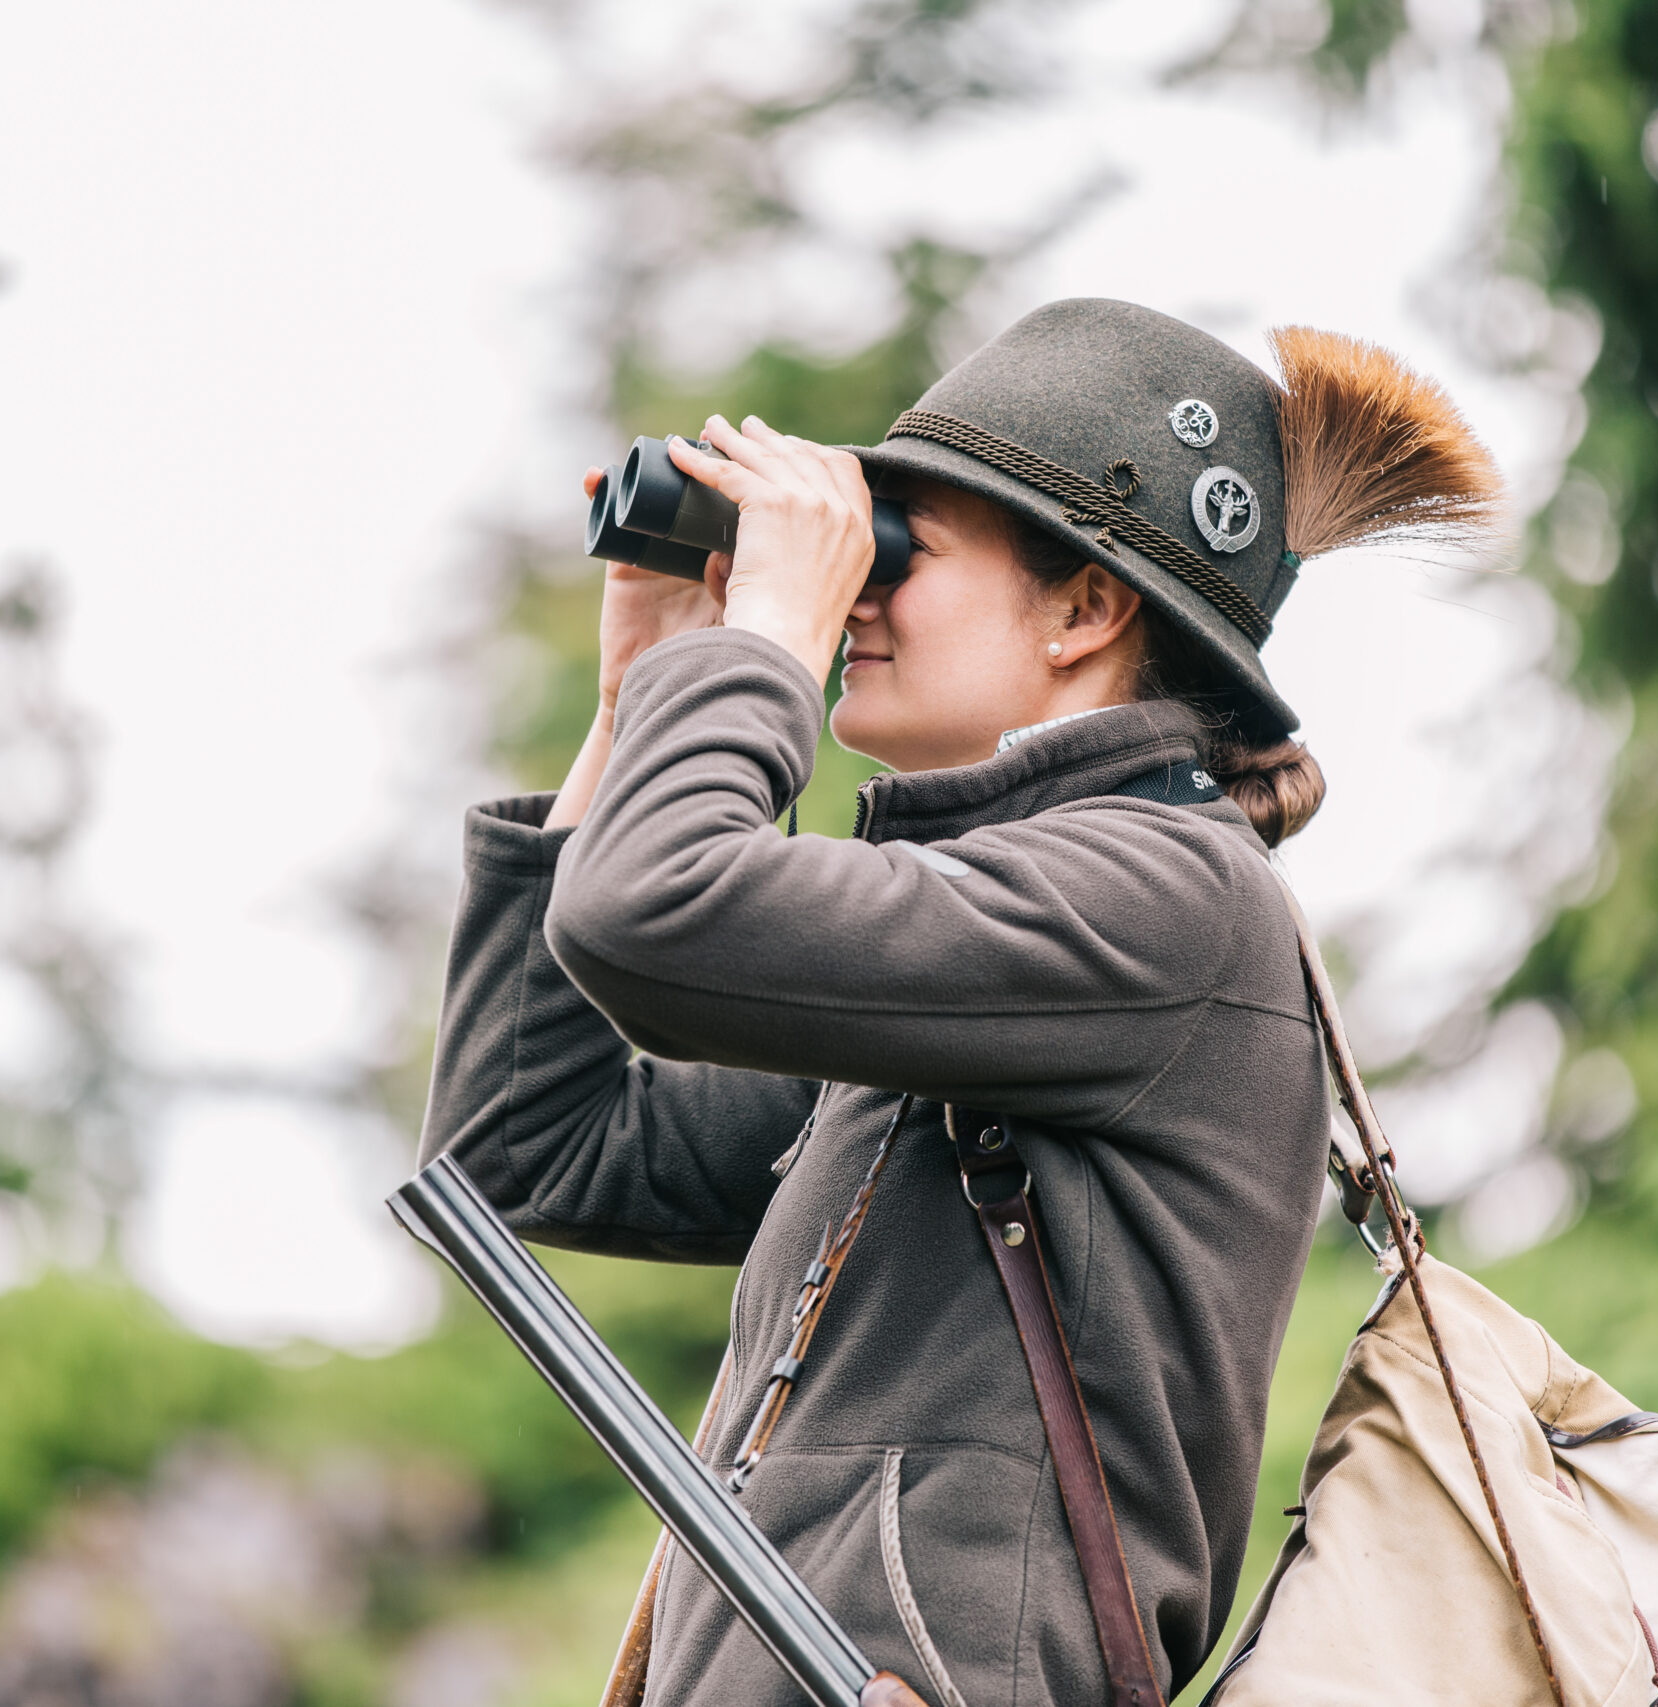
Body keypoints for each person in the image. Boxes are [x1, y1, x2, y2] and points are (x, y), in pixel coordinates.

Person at [419, 298, 1500, 1707]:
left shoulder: (1166, 898)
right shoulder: (1002, 938)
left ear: (1085, 609)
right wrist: (635, 702)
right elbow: (522, 1145)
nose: (854, 593)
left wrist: (759, 644)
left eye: (898, 547)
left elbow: (649, 909)